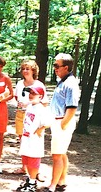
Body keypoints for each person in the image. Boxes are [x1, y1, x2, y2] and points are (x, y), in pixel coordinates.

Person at [43, 53, 79, 192]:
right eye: (54, 65)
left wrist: (62, 124)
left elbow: (72, 108)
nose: (55, 68)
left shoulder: (70, 84)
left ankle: (53, 185)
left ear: (66, 67)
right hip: (58, 121)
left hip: (63, 123)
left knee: (56, 155)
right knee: (62, 153)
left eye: (57, 66)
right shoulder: (63, 81)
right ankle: (62, 180)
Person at [14, 60, 49, 175]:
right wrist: (21, 105)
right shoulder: (19, 84)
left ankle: (35, 172)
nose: (25, 71)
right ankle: (24, 167)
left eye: (28, 68)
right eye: (23, 68)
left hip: (34, 118)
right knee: (23, 141)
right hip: (21, 115)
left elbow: (44, 102)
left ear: (33, 70)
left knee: (34, 144)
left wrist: (30, 105)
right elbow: (16, 97)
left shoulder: (39, 85)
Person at [15, 86, 52, 192]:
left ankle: (32, 182)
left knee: (33, 160)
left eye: (34, 93)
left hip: (35, 140)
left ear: (40, 96)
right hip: (27, 138)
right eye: (30, 93)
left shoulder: (41, 108)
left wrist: (40, 129)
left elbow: (49, 121)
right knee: (26, 159)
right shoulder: (30, 106)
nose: (31, 95)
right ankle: (29, 178)